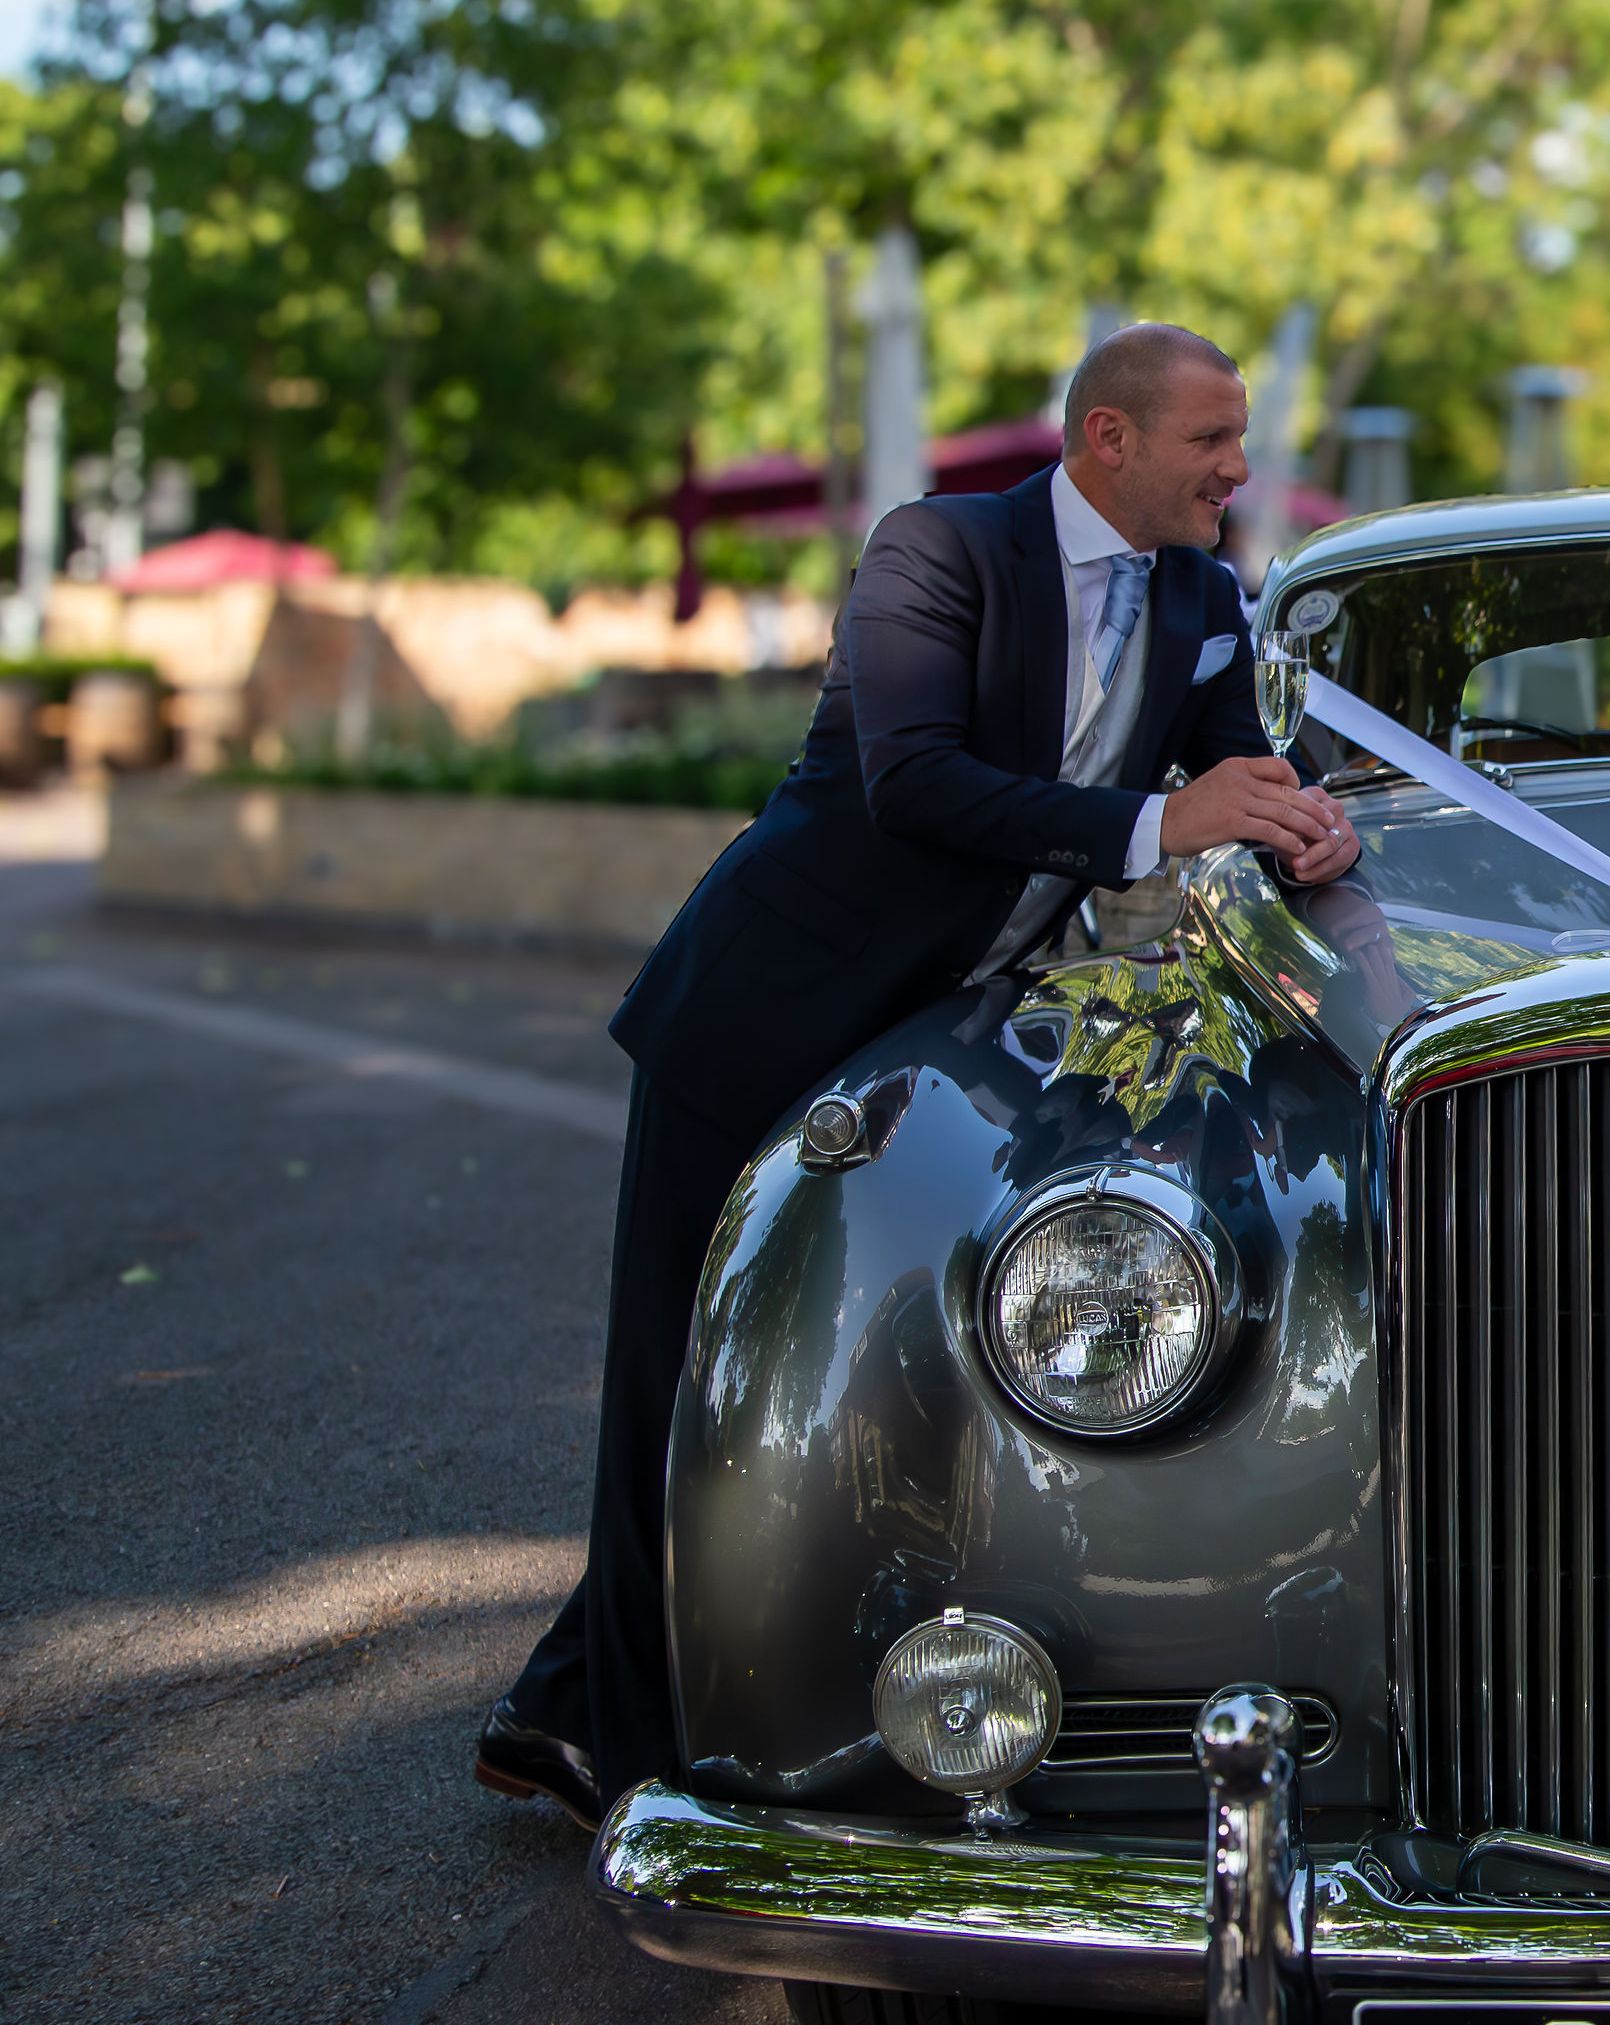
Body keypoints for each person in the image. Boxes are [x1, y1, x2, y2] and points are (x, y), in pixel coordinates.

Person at [474, 323, 1359, 1830]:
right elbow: (915, 781)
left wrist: (1302, 821)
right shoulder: (935, 552)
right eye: (1213, 437)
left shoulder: (1211, 597)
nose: (1239, 465)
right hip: (763, 1008)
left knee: (877, 1365)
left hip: (951, 1048)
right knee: (686, 1378)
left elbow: (1238, 776)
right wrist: (1160, 825)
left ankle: (588, 1694)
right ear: (1108, 441)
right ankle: (623, 1758)